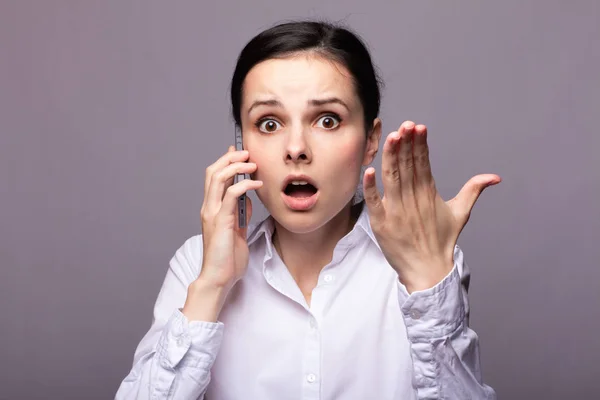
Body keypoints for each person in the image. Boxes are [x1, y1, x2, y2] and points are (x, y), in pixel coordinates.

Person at [116, 20, 500, 400]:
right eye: (268, 123)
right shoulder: (196, 265)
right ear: (241, 143)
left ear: (371, 140)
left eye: (327, 120)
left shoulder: (422, 261)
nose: (295, 147)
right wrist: (212, 287)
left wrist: (429, 286)